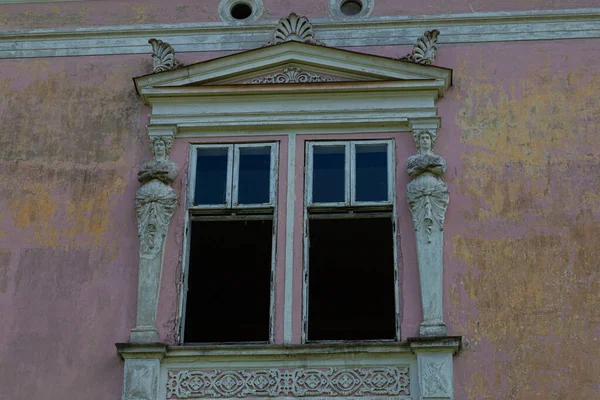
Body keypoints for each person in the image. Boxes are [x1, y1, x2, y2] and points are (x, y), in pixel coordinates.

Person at [135, 136, 179, 258]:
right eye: (157, 145)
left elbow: (170, 177)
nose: (159, 147)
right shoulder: (147, 164)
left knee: (158, 227)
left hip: (164, 198)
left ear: (166, 147)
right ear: (153, 148)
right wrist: (155, 173)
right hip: (145, 199)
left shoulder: (171, 164)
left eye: (161, 145)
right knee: (146, 228)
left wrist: (151, 174)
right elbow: (140, 177)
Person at [406, 130, 449, 241]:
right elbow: (411, 171)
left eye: (427, 138)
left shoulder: (438, 159)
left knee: (436, 222)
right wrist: (430, 166)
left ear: (431, 141)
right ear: (418, 141)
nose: (425, 140)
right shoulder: (413, 159)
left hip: (436, 192)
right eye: (422, 138)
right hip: (417, 192)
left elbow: (440, 169)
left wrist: (422, 167)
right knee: (419, 223)